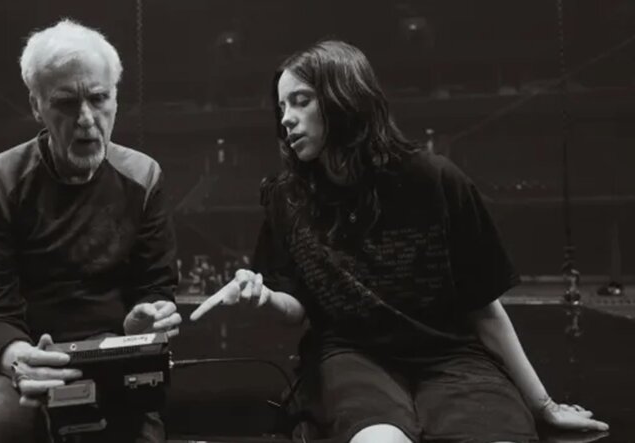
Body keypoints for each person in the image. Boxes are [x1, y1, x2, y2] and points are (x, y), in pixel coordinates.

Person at [190, 40, 608, 443]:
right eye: (282, 107)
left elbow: (484, 308)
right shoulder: (287, 198)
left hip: (451, 357)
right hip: (351, 356)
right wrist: (264, 297)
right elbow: (296, 307)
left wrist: (544, 405)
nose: (286, 119)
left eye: (301, 101)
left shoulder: (436, 180)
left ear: (344, 99)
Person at [0, 19, 181, 443]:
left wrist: (145, 319)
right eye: (66, 103)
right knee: (2, 425)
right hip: (16, 349)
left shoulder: (144, 176)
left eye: (99, 98)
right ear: (36, 105)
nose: (86, 119)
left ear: (116, 98)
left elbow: (155, 286)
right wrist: (19, 358)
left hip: (109, 348)